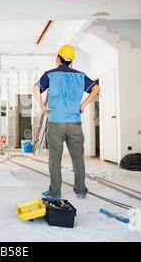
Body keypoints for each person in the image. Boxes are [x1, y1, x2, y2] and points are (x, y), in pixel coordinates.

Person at [32, 45, 100, 199]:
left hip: (55, 122)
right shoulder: (80, 76)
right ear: (71, 62)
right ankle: (81, 191)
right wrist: (83, 105)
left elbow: (36, 88)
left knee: (54, 159)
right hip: (74, 122)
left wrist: (42, 106)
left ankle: (55, 193)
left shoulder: (50, 75)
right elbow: (96, 89)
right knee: (78, 158)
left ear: (58, 59)